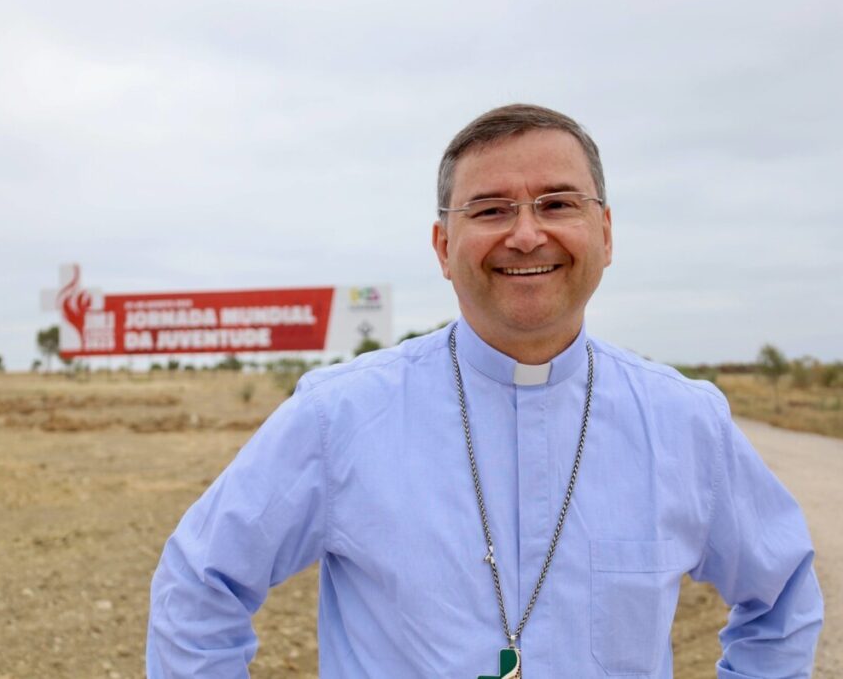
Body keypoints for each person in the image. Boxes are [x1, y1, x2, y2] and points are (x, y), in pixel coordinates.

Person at [146, 104, 823, 677]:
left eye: (557, 203)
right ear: (443, 246)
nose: (527, 234)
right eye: (491, 209)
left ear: (606, 233)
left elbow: (783, 595)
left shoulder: (683, 421)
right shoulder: (340, 415)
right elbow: (199, 585)